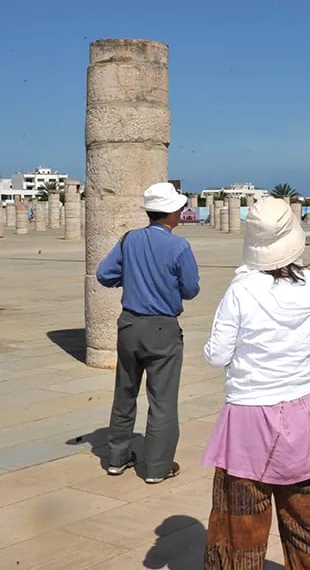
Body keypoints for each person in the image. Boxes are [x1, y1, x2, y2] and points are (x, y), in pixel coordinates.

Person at [201, 197, 310, 569]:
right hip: (303, 410)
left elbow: (217, 354)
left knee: (241, 524)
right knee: (309, 518)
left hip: (249, 415)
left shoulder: (241, 290)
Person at [96, 182, 200, 483]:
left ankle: (116, 458)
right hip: (162, 328)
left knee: (125, 392)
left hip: (129, 325)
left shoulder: (130, 239)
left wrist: (130, 278)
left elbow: (104, 274)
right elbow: (190, 289)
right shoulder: (179, 246)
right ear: (171, 213)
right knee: (162, 400)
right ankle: (157, 467)